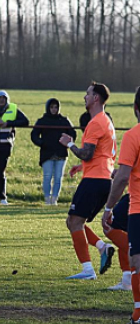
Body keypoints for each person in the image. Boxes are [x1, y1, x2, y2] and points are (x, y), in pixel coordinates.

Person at [59, 82, 116, 280]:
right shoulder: (106, 121)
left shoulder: (96, 123)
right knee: (74, 221)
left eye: (87, 94)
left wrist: (70, 144)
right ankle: (102, 247)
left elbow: (87, 154)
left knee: (75, 221)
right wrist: (82, 167)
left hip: (94, 180)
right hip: (103, 179)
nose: (85, 97)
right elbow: (103, 155)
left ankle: (87, 270)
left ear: (96, 98)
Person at [101, 86, 140, 323]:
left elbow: (123, 176)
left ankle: (138, 312)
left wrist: (108, 208)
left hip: (138, 209)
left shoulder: (133, 135)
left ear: (135, 108)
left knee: (138, 261)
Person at [31, 98, 76, 205]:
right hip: (47, 153)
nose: (54, 109)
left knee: (58, 177)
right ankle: (47, 199)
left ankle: (54, 199)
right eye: (51, 107)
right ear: (48, 108)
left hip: (61, 153)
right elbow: (34, 135)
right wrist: (42, 143)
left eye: (56, 107)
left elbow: (73, 133)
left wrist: (68, 143)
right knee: (47, 176)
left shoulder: (64, 120)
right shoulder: (42, 121)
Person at [103, 193, 131, 291]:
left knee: (109, 227)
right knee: (127, 233)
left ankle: (128, 279)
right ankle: (127, 279)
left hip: (136, 196)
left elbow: (122, 179)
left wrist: (108, 208)